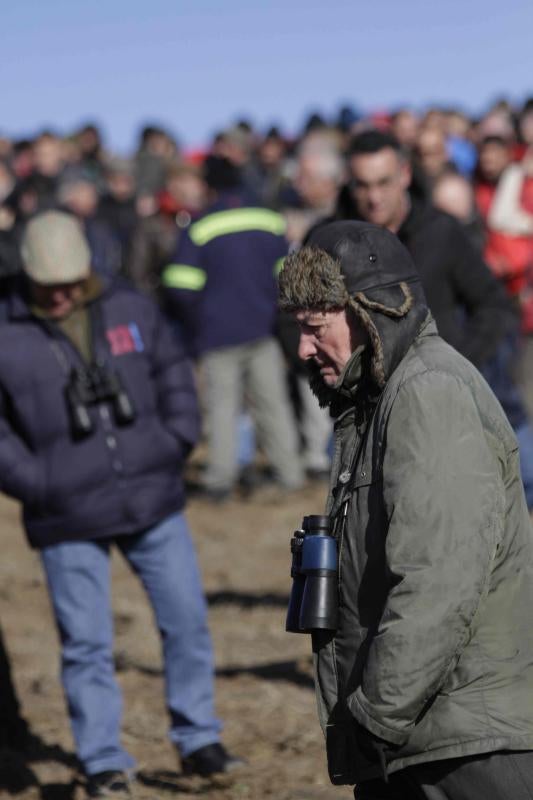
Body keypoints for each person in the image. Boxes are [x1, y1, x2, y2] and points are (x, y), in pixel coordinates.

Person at [280, 220, 533, 799]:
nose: (303, 347)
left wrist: (378, 714)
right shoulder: (378, 400)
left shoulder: (428, 394)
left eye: (315, 327)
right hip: (422, 737)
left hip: (467, 750)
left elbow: (437, 581)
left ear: (374, 311)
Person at [0, 211, 241, 798]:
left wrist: (177, 437)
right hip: (65, 514)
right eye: (47, 284)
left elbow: (173, 374)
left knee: (186, 619)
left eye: (70, 281)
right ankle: (104, 758)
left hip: (151, 496)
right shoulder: (4, 329)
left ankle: (198, 735)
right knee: (86, 643)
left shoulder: (131, 306)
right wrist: (37, 480)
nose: (60, 294)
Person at [341, 129, 533, 508]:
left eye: (383, 182)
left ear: (405, 176)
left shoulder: (441, 232)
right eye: (362, 185)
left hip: (446, 406)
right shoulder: (338, 236)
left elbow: (492, 304)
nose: (374, 197)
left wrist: (462, 361)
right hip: (368, 413)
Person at [163, 155, 304, 500]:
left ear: (209, 186)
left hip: (217, 334)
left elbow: (180, 284)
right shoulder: (270, 219)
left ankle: (220, 481)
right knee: (273, 405)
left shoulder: (200, 227)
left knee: (223, 409)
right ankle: (290, 474)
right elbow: (287, 273)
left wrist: (198, 317)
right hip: (264, 329)